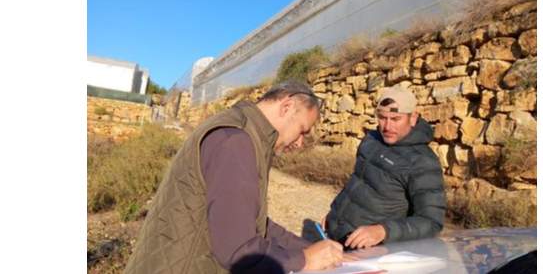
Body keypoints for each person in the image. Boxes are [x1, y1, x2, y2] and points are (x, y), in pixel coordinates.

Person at [124, 81, 348, 274]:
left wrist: (308, 247)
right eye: (302, 130)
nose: (300, 143)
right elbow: (236, 249)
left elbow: (251, 219)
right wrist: (305, 259)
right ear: (287, 106)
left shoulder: (245, 133)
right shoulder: (236, 141)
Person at [323, 86, 446, 250]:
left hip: (368, 250)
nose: (387, 127)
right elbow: (358, 182)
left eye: (395, 119)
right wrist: (335, 215)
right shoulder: (372, 139)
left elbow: (431, 221)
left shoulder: (423, 162)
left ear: (413, 118)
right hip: (335, 235)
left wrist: (383, 231)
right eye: (382, 118)